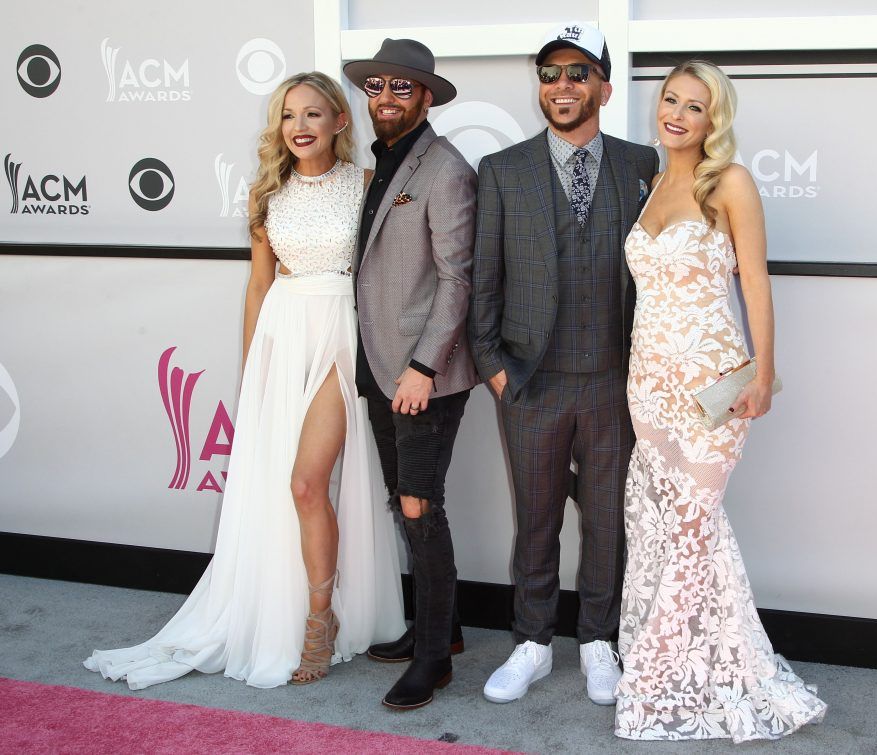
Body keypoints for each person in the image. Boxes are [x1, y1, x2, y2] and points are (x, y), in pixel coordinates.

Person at [83, 72, 406, 689]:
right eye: (289, 116)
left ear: (340, 122)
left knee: (308, 483)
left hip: (343, 337)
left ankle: (319, 621)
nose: (301, 126)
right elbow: (259, 285)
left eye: (314, 114)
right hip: (282, 340)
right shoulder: (268, 195)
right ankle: (313, 608)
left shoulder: (366, 186)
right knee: (283, 488)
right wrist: (253, 366)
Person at [613, 60, 827, 740]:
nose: (676, 113)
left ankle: (656, 671)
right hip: (647, 384)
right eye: (670, 99)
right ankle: (690, 658)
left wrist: (764, 371)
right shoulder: (649, 186)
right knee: (663, 526)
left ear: (715, 119)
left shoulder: (728, 182)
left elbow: (756, 281)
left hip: (714, 385)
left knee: (695, 523)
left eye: (694, 106)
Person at [469, 23, 658, 706]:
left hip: (614, 380)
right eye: (550, 73)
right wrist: (495, 369)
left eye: (578, 73)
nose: (562, 86)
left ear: (604, 86)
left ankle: (600, 641)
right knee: (538, 517)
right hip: (531, 381)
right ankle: (533, 642)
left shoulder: (644, 165)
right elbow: (481, 280)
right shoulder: (504, 170)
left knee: (608, 518)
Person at [342, 39, 478, 711]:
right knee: (404, 498)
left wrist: (424, 365)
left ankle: (433, 660)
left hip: (425, 374)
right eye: (377, 88)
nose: (387, 99)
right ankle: (442, 630)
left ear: (426, 98)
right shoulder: (382, 165)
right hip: (378, 365)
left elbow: (460, 279)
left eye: (402, 89)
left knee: (421, 505)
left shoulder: (445, 168)